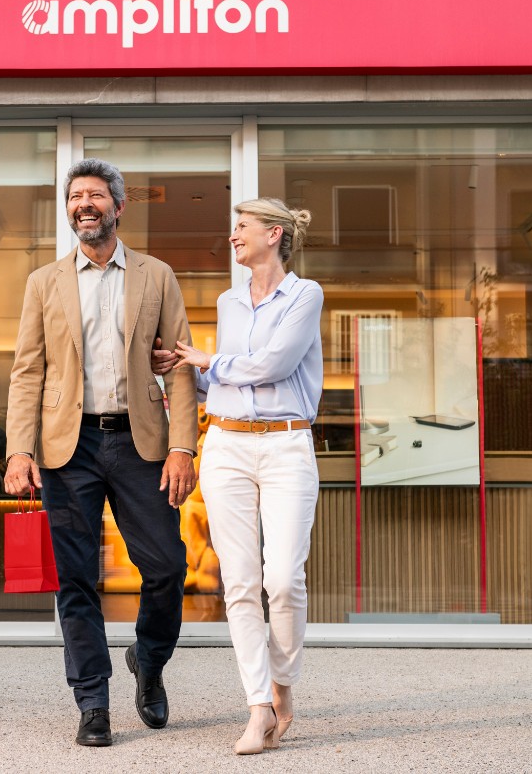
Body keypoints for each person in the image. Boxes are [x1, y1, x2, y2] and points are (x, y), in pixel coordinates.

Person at [3, 158, 199, 748]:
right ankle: (92, 700)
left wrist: (182, 446)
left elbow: (180, 366)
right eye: (75, 197)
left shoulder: (156, 275)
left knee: (166, 566)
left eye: (94, 195)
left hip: (141, 441)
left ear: (118, 206)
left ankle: (149, 659)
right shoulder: (44, 282)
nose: (84, 205)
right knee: (77, 578)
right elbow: (27, 371)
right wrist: (19, 450)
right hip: (69, 448)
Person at [160, 197, 323, 755]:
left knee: (284, 579)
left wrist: (208, 362)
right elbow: (227, 380)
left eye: (242, 227)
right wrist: (183, 372)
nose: (233, 236)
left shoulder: (305, 295)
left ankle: (283, 686)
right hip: (226, 445)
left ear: (273, 234)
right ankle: (258, 707)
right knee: (239, 582)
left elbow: (275, 364)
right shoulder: (228, 303)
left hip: (286, 444)